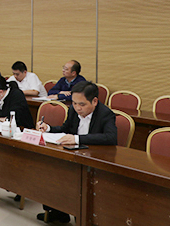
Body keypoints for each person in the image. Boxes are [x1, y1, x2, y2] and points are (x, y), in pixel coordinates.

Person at [36, 81, 117, 223]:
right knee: (51, 170)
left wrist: (77, 138)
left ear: (94, 101)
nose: (78, 108)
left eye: (82, 104)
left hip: (95, 159)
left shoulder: (105, 114)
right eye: (74, 103)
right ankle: (58, 212)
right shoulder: (73, 110)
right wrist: (48, 128)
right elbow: (66, 128)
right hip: (74, 154)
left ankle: (81, 217)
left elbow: (110, 137)